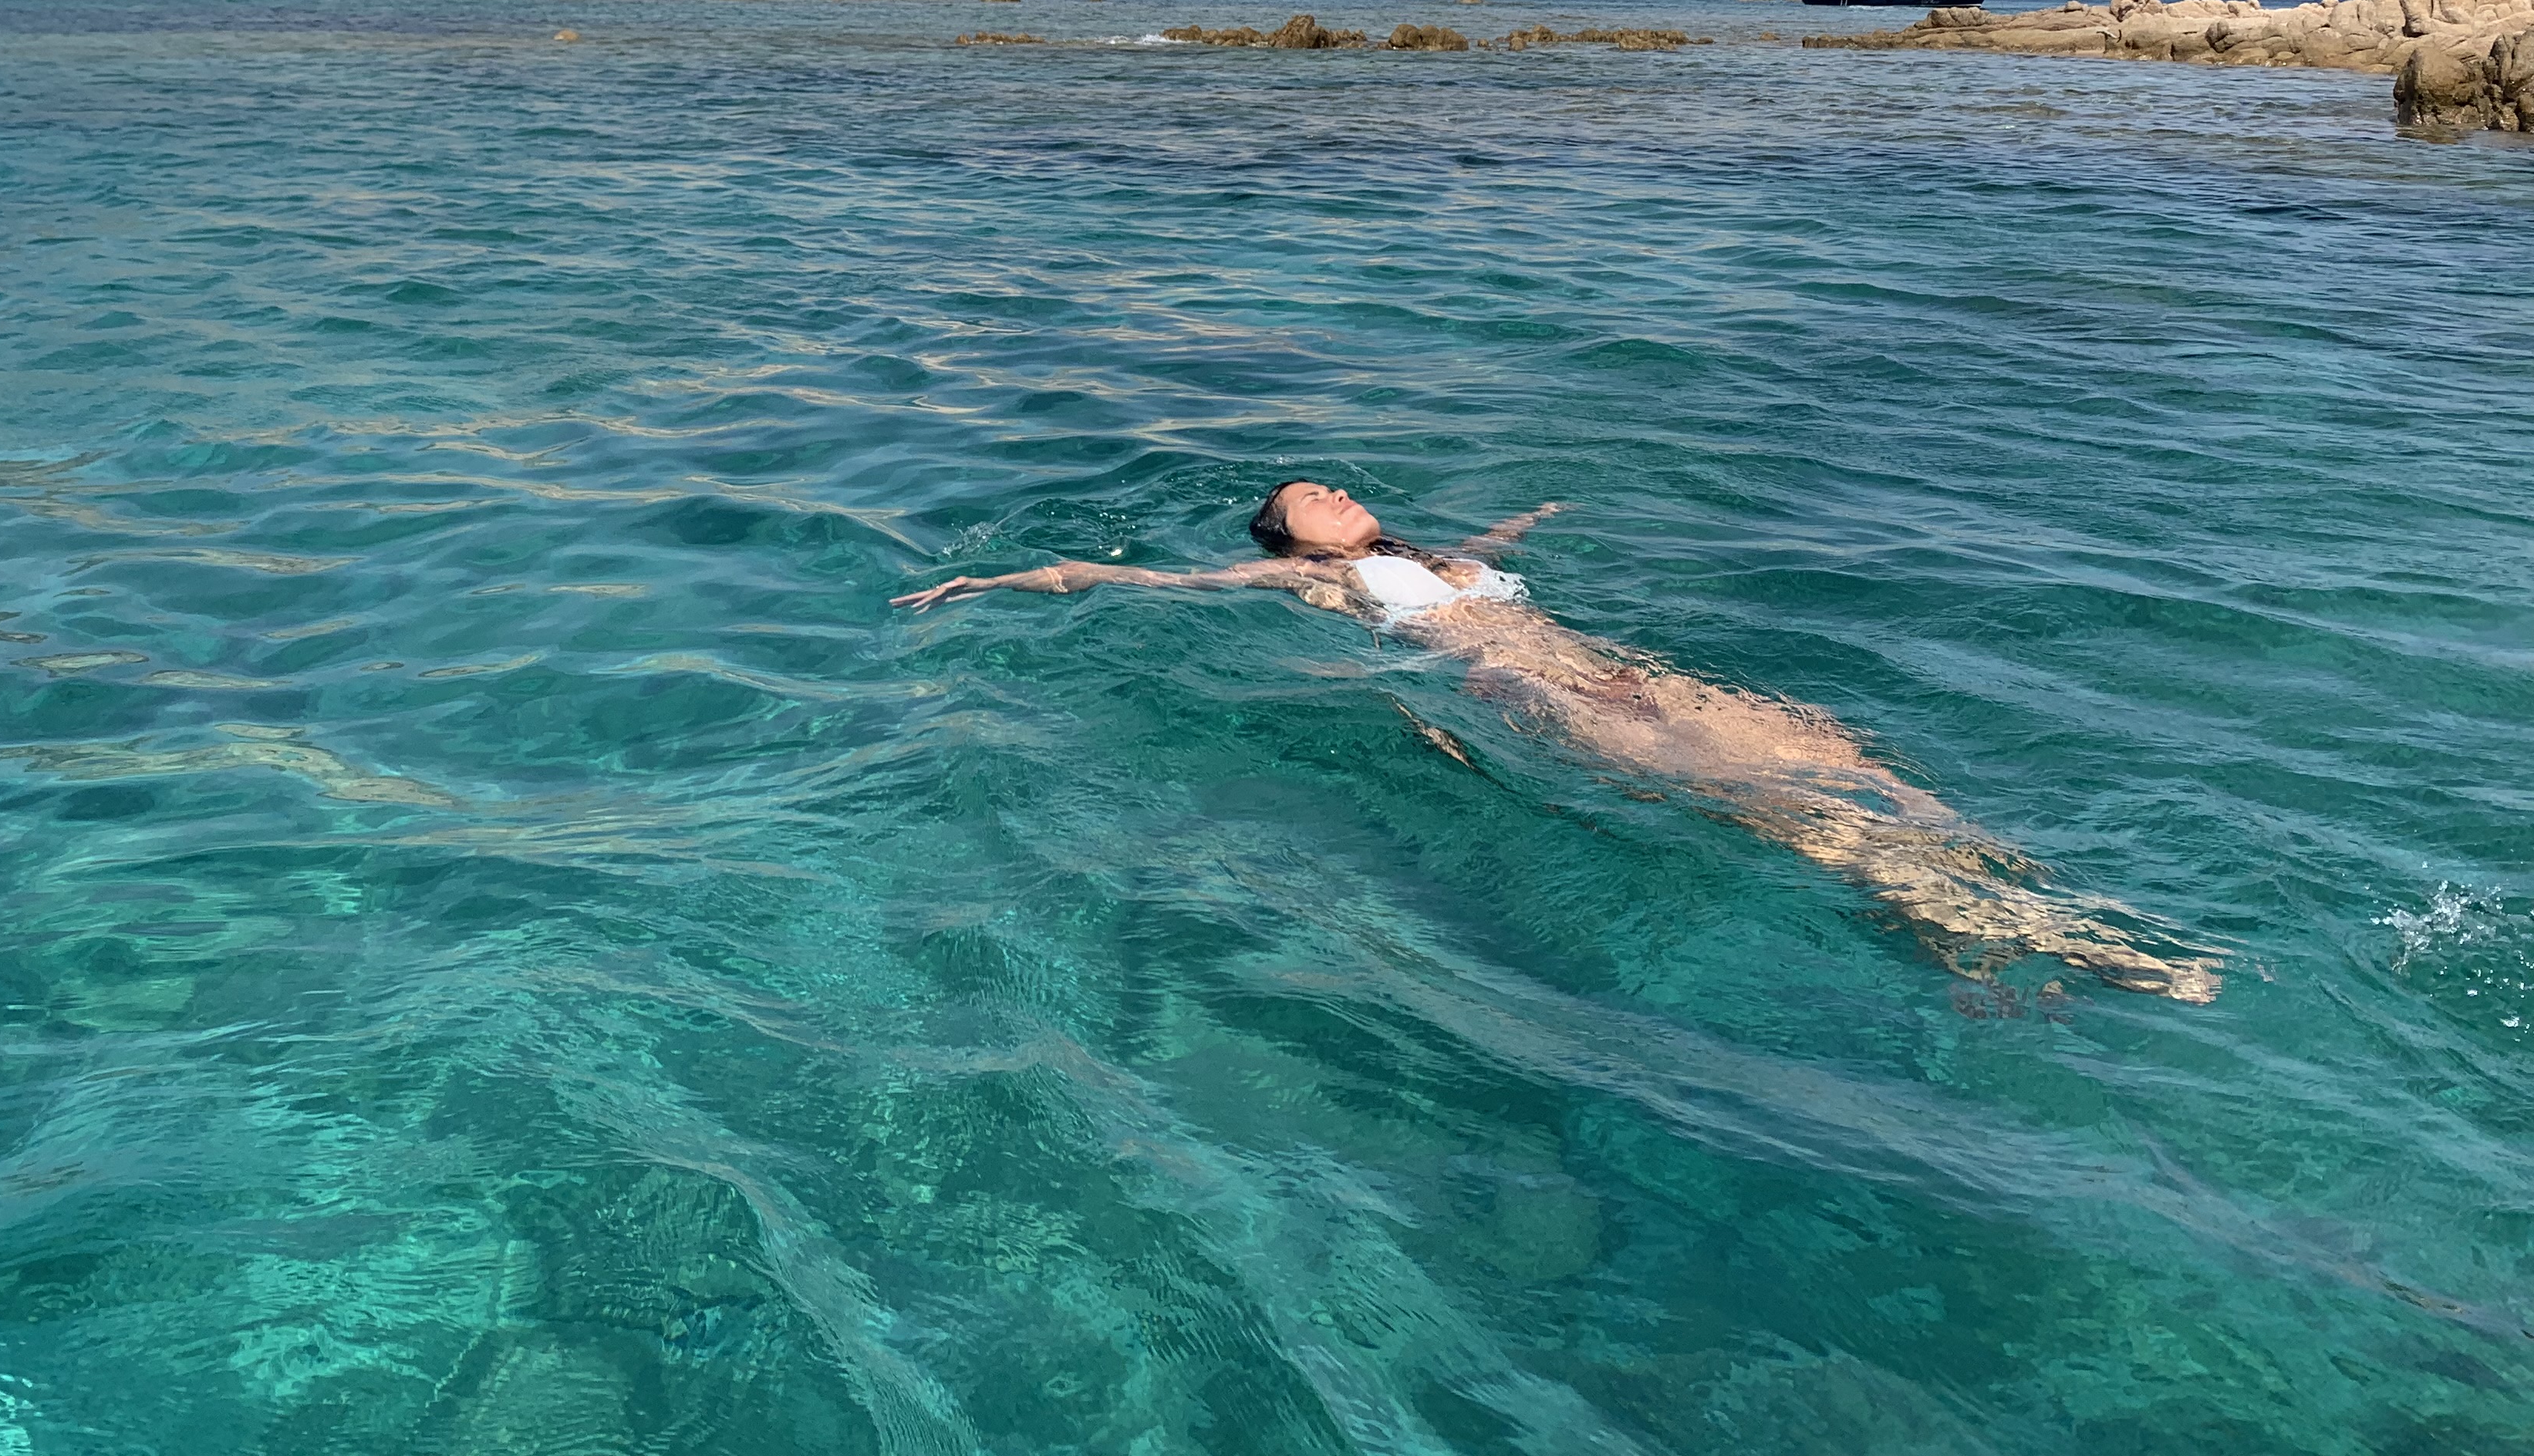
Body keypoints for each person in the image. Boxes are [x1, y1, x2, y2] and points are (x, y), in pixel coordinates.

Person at [893, 480, 2221, 1004]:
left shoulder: (1440, 556)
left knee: (1861, 768)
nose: (1338, 495)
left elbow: (1495, 546)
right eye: (1312, 500)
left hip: (1621, 670)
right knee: (1796, 813)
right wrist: (990, 581)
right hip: (1546, 699)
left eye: (1338, 486)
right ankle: (2048, 946)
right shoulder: (1312, 584)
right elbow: (1133, 582)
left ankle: (2001, 910)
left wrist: (1537, 515)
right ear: (1289, 542)